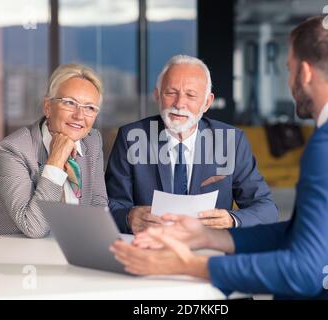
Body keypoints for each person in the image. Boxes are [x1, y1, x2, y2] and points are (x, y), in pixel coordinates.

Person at [110, 16, 328, 299]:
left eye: (288, 70)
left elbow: (305, 270)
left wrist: (188, 265)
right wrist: (209, 238)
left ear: (304, 73)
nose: (289, 80)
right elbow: (303, 232)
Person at [105, 55, 278, 234]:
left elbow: (266, 210)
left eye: (191, 95)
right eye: (171, 93)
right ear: (157, 95)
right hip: (150, 247)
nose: (180, 104)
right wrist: (128, 217)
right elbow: (111, 205)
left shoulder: (231, 141)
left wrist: (232, 220)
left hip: (209, 251)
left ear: (207, 103)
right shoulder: (131, 138)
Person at [0, 63, 108, 238]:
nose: (79, 116)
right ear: (48, 107)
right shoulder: (12, 150)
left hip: (69, 251)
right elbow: (34, 227)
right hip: (11, 255)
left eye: (89, 108)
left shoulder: (92, 141)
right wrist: (55, 161)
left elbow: (98, 204)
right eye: (70, 103)